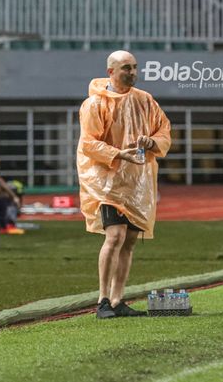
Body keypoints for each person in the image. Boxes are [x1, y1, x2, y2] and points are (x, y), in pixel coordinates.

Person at [77, 50, 171, 319]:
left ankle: (118, 299)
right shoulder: (95, 104)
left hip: (136, 183)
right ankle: (102, 300)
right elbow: (89, 144)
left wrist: (152, 142)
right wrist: (119, 154)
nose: (132, 72)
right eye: (126, 68)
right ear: (111, 72)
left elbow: (163, 130)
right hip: (107, 183)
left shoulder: (145, 100)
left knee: (129, 240)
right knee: (115, 235)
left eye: (135, 67)